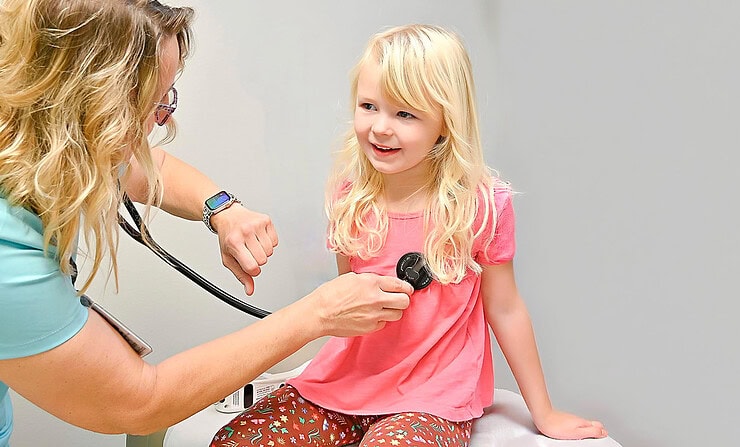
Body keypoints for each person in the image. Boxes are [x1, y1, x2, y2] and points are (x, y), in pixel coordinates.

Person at [0, 1, 412, 445]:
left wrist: (221, 208)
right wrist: (318, 314)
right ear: (94, 105)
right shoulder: (8, 255)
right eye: (157, 102)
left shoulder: (39, 129)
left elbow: (138, 166)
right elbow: (138, 402)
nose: (166, 118)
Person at [210, 24, 608, 447]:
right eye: (368, 106)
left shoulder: (481, 206)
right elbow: (347, 304)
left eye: (405, 114)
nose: (381, 127)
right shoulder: (350, 199)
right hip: (342, 386)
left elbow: (505, 309)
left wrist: (543, 412)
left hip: (431, 399)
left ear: (445, 122)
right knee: (238, 440)